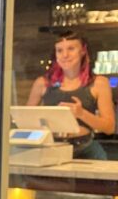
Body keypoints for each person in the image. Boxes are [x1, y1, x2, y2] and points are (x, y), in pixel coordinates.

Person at [26, 30, 115, 160]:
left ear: (83, 51)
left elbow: (109, 127)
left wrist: (81, 114)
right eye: (59, 50)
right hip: (51, 149)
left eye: (71, 49)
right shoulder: (42, 83)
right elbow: (25, 121)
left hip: (86, 150)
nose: (65, 55)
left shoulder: (99, 83)